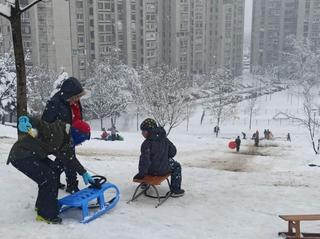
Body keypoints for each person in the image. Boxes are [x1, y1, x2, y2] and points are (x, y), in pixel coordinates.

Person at [6, 116, 94, 224]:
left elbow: (70, 159)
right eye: (83, 139)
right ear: (78, 134)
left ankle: (42, 206)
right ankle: (46, 215)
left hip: (33, 155)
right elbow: (40, 125)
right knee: (49, 177)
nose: (81, 143)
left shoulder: (66, 140)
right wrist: (25, 119)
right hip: (22, 155)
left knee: (53, 170)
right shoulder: (58, 132)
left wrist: (84, 173)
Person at [42, 77, 85, 194]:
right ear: (68, 95)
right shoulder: (54, 103)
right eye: (75, 97)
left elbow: (77, 115)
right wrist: (56, 136)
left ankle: (53, 179)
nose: (77, 100)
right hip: (58, 138)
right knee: (68, 158)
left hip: (70, 134)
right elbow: (45, 123)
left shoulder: (72, 100)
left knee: (63, 159)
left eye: (78, 97)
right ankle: (71, 185)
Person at [134, 118, 185, 197]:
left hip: (150, 171)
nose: (142, 133)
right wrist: (164, 155)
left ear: (150, 131)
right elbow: (173, 152)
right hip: (163, 170)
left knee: (145, 163)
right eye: (142, 131)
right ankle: (175, 190)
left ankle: (145, 184)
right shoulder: (164, 139)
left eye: (144, 131)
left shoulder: (146, 144)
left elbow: (144, 161)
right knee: (176, 166)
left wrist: (141, 175)